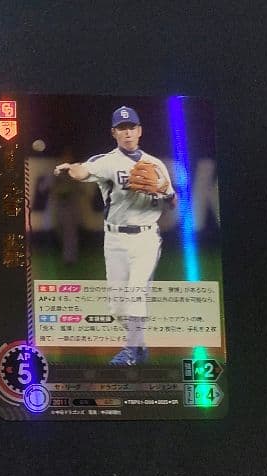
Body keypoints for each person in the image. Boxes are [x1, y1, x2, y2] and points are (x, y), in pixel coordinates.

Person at [53, 106, 176, 366]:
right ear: (114, 133)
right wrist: (70, 169)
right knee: (118, 308)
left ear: (140, 130)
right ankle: (139, 347)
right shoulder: (107, 161)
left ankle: (130, 352)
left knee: (135, 294)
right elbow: (82, 170)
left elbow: (173, 203)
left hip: (146, 239)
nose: (127, 133)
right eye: (122, 128)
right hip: (115, 240)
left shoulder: (156, 164)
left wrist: (166, 192)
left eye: (131, 127)